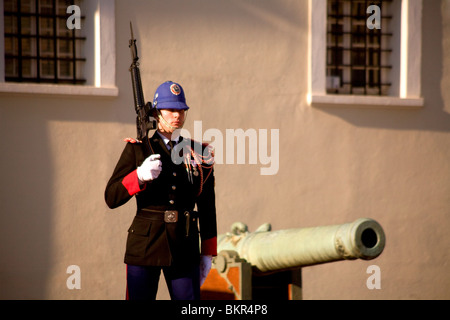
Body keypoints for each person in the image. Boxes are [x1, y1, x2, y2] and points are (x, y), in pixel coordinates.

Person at [105, 81, 217, 300]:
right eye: (171, 110)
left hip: (184, 245)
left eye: (181, 110)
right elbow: (111, 196)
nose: (178, 115)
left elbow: (207, 205)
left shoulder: (199, 152)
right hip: (145, 244)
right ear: (157, 113)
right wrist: (138, 176)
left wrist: (207, 252)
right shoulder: (137, 148)